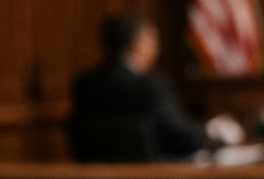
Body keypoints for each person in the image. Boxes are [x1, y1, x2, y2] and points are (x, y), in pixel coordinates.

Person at [69, 13, 240, 158]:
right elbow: (182, 137)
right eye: (153, 38)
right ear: (138, 44)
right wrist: (213, 131)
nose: (156, 46)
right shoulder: (150, 87)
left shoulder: (84, 84)